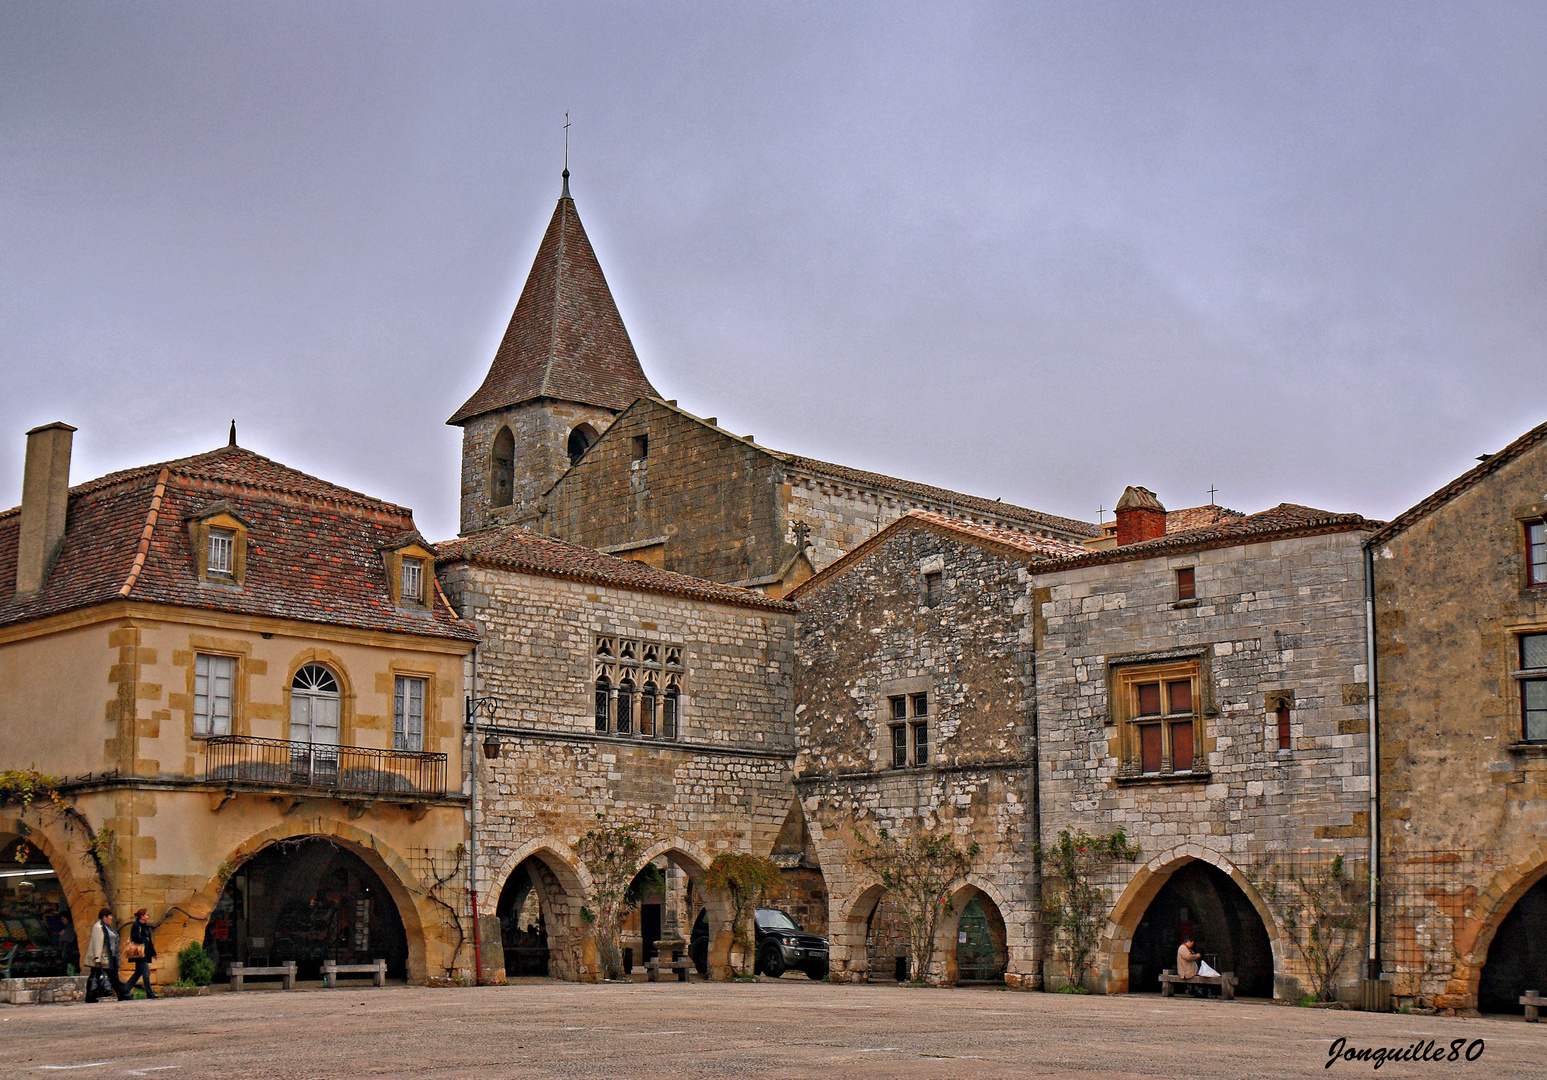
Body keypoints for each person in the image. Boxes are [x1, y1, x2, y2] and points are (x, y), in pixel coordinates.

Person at [84, 907, 128, 1002]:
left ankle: (91, 996)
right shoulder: (98, 927)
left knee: (108, 976)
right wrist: (97, 959)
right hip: (103, 958)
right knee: (97, 976)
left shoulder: (107, 927)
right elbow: (98, 943)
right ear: (104, 917)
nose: (111, 918)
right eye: (109, 916)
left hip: (110, 957)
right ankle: (122, 994)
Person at [123, 908, 158, 999]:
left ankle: (124, 990)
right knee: (146, 973)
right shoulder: (136, 925)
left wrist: (153, 953)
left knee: (137, 974)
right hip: (139, 954)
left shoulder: (145, 927)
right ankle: (149, 993)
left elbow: (149, 941)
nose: (148, 917)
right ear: (142, 917)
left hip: (144, 954)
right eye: (146, 915)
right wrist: (144, 939)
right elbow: (134, 937)